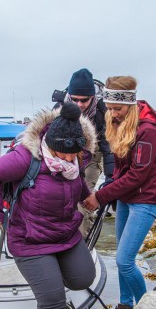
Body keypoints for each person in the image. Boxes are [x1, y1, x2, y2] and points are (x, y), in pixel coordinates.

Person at [0, 102, 97, 309]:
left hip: (64, 235)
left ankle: (52, 284)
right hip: (30, 240)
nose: (70, 157)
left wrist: (88, 196)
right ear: (49, 144)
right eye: (64, 152)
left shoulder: (75, 161)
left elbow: (77, 184)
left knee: (85, 277)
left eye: (74, 152)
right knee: (53, 299)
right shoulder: (26, 158)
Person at [83, 76, 156, 309]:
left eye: (117, 108)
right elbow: (120, 169)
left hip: (146, 200)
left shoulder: (148, 130)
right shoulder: (116, 122)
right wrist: (111, 190)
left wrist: (101, 196)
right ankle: (124, 308)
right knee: (123, 257)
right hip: (127, 198)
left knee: (124, 261)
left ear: (129, 104)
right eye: (108, 107)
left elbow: (138, 175)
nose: (112, 113)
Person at [54, 68, 115, 234]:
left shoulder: (103, 112)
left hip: (93, 156)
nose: (79, 104)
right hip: (64, 156)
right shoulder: (58, 107)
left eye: (84, 100)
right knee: (61, 198)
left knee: (84, 201)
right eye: (75, 100)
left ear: (93, 97)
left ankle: (83, 242)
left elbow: (108, 148)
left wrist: (111, 178)